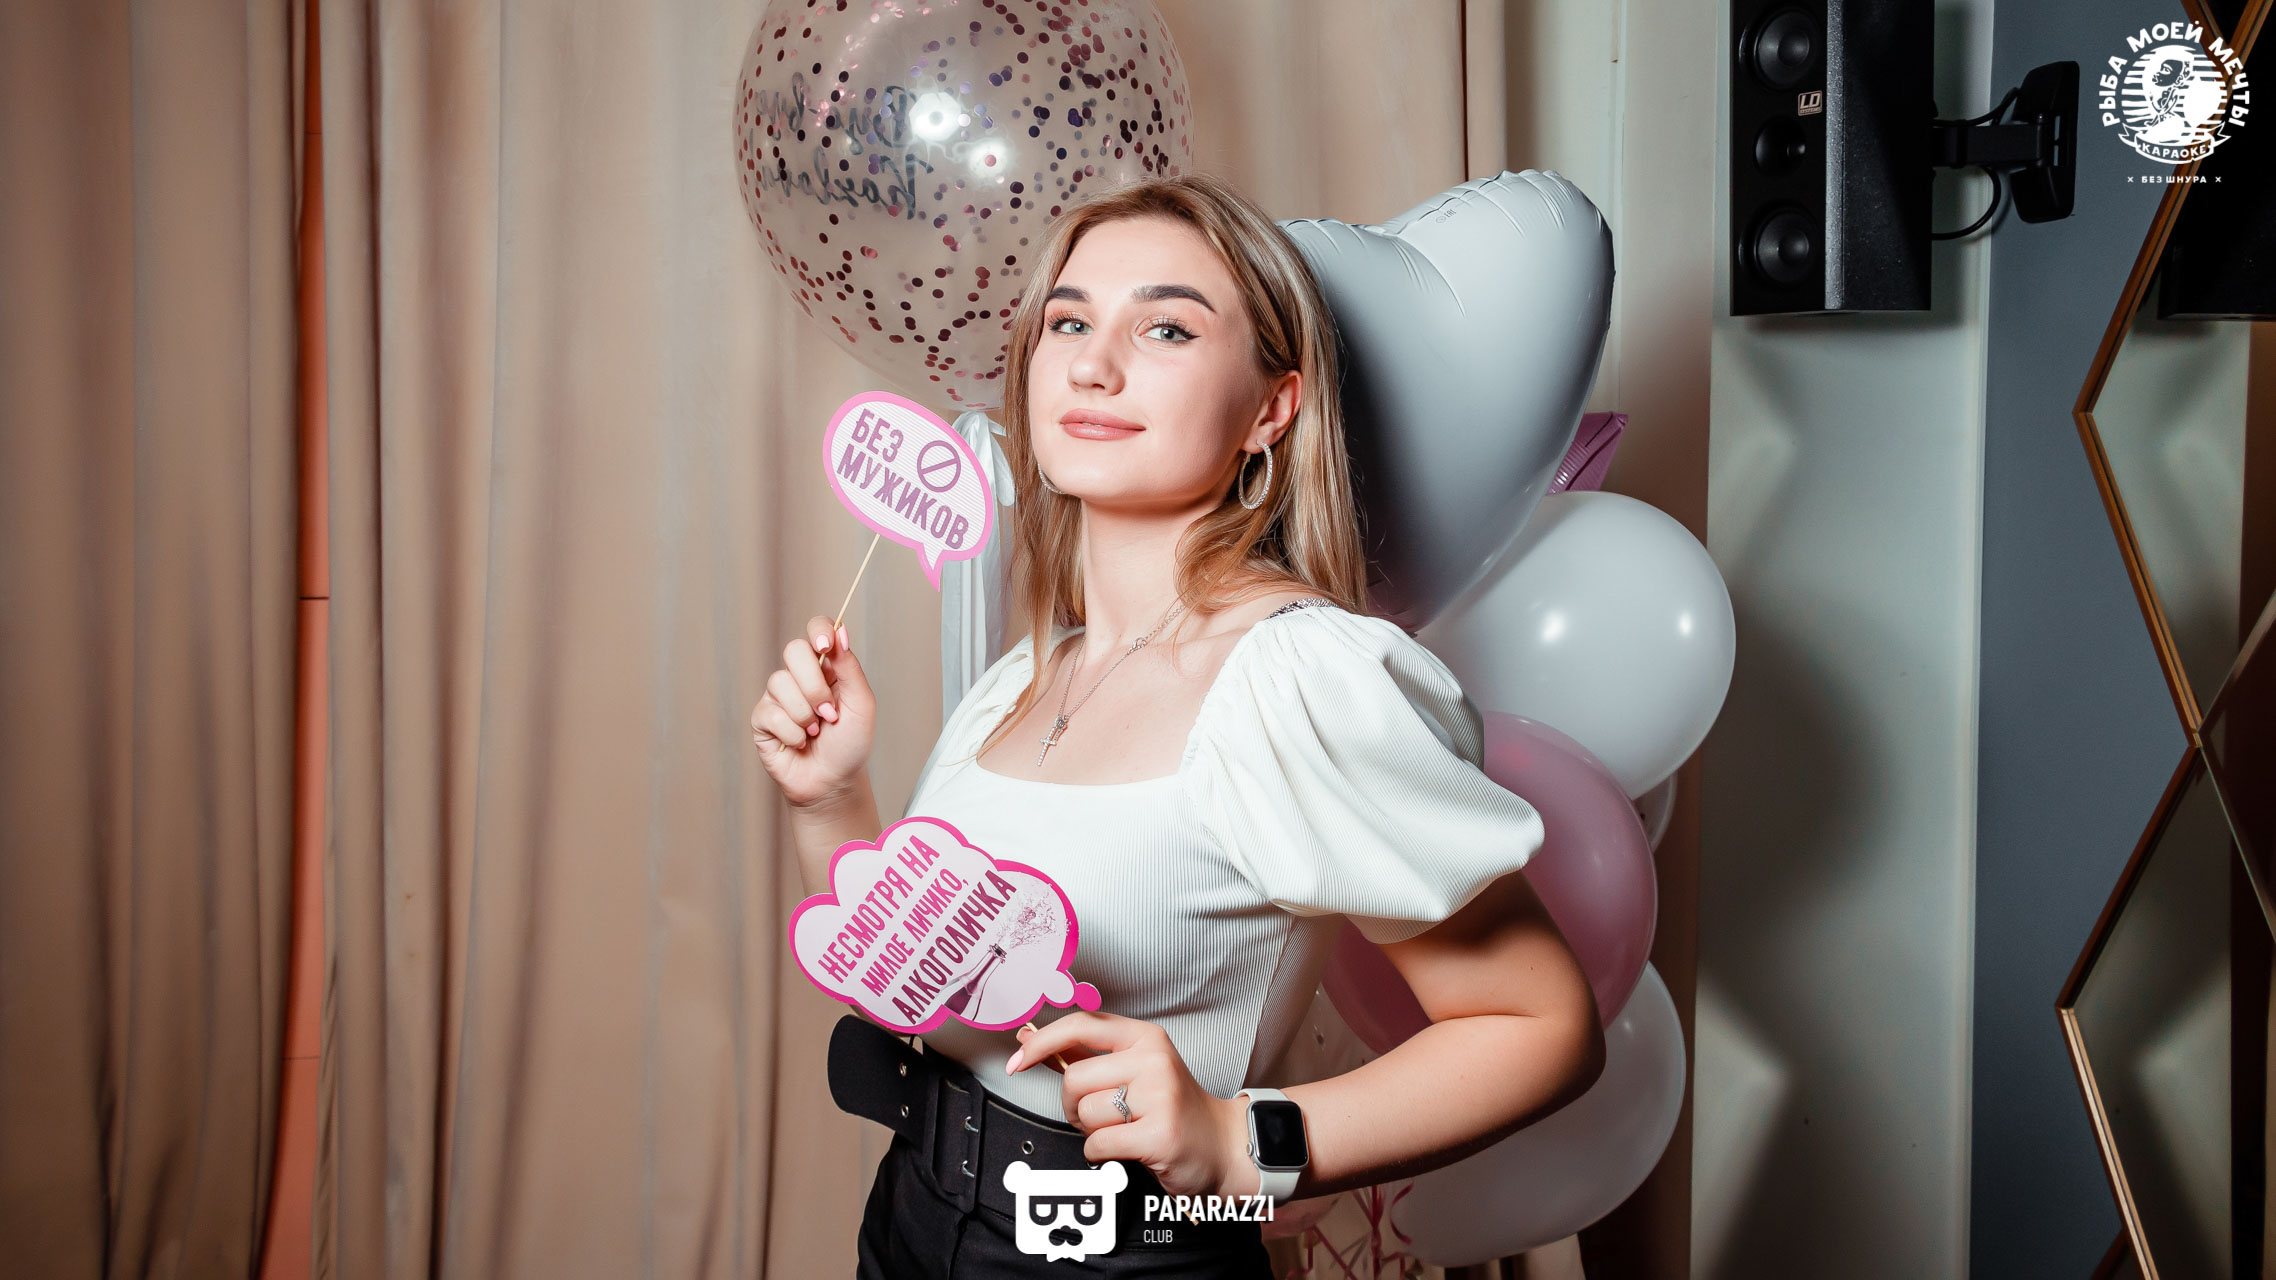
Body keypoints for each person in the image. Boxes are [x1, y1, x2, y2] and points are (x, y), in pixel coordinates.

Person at [752, 172, 1605, 1278]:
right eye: (1068, 322)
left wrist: (1243, 1144)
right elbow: (943, 994)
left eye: (1165, 328)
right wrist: (832, 802)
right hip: (914, 1214)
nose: (1092, 365)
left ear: (1271, 409)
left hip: (1119, 1252)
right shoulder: (1023, 675)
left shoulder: (1299, 678)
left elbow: (1541, 1026)